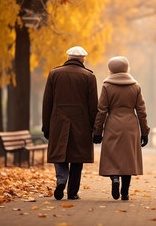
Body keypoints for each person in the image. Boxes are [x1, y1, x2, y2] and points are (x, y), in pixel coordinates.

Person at [42, 46, 98, 200]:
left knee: (59, 154)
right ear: (83, 59)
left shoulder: (54, 73)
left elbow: (47, 102)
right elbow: (93, 106)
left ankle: (61, 180)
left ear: (67, 57)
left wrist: (46, 126)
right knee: (77, 158)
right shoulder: (89, 77)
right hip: (81, 124)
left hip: (58, 122)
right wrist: (96, 128)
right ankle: (72, 192)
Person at [92, 56, 150, 201]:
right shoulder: (135, 86)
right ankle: (125, 191)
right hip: (131, 125)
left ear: (111, 69)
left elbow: (102, 110)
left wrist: (97, 131)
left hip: (113, 124)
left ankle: (114, 178)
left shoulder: (107, 86)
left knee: (113, 154)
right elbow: (141, 111)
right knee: (128, 157)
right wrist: (145, 132)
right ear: (126, 68)